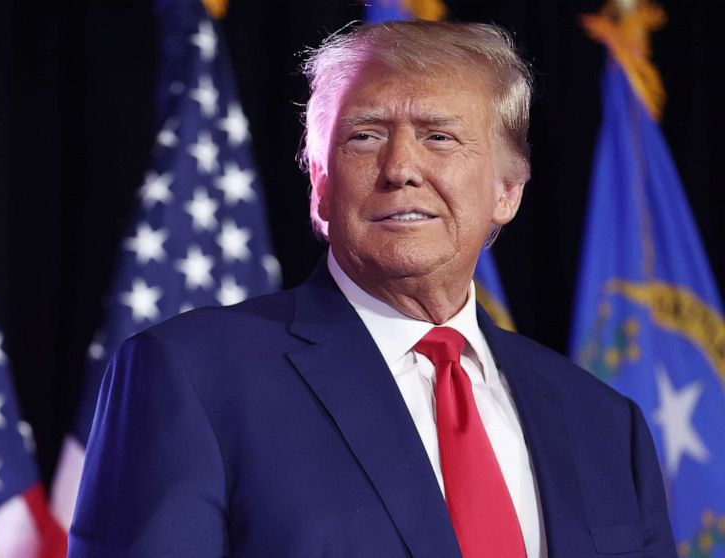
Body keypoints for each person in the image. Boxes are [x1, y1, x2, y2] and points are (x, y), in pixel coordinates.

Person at [68, 21, 675, 557]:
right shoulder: (191, 376)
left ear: (507, 191)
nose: (400, 167)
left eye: (439, 136)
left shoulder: (604, 423)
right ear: (321, 187)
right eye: (365, 135)